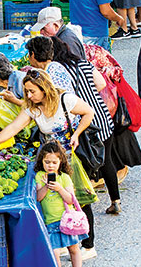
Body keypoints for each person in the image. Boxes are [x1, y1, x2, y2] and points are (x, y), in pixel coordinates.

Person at [0, 70, 98, 252]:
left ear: (44, 89)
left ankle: (88, 245)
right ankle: (64, 237)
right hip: (49, 161)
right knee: (53, 198)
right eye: (27, 92)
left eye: (32, 91)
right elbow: (15, 126)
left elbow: (88, 112)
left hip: (70, 157)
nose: (29, 95)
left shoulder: (65, 100)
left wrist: (76, 134)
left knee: (78, 198)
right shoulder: (33, 108)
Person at [49, 38, 121, 214]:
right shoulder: (84, 63)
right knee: (106, 160)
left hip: (83, 120)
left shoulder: (60, 71)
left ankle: (84, 202)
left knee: (83, 163)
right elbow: (102, 84)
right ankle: (115, 201)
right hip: (102, 116)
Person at [35, 140, 88, 267]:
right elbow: (39, 197)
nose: (50, 165)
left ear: (60, 162)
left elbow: (71, 199)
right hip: (50, 221)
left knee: (73, 248)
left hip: (67, 219)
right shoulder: (40, 176)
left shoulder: (64, 177)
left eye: (54, 162)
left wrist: (59, 189)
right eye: (47, 162)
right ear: (42, 162)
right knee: (54, 250)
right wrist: (46, 186)